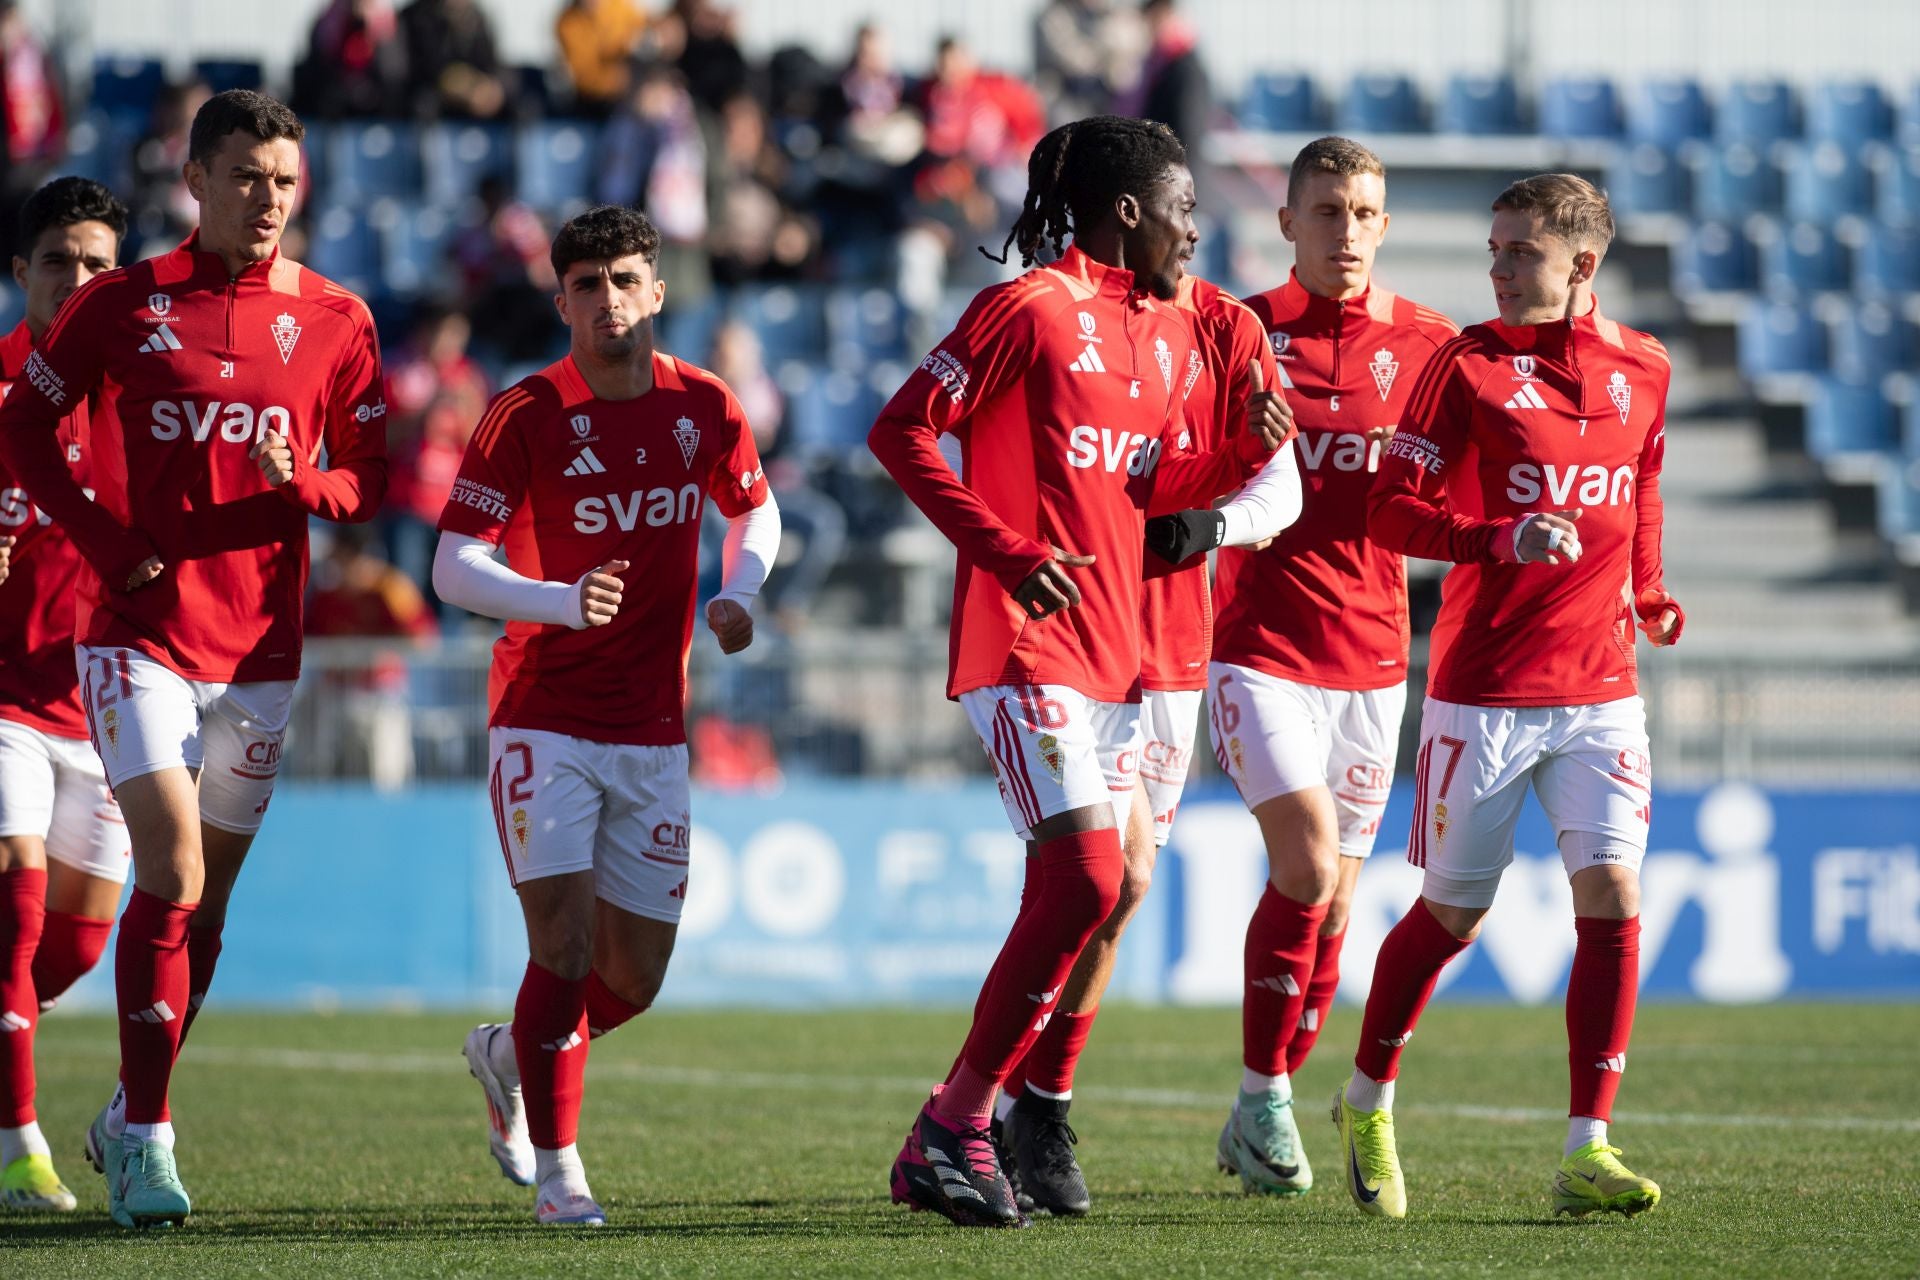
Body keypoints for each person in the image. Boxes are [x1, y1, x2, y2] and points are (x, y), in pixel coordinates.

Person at [869, 115, 1287, 1229]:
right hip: (1021, 642)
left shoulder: (1167, 328)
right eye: (1188, 209)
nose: (1201, 230)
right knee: (1092, 877)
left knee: (1104, 883)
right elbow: (903, 429)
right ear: (1134, 210)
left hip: (1120, 654)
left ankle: (1000, 1119)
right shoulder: (1029, 307)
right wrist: (1005, 549)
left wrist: (1245, 450)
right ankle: (954, 1125)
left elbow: (1146, 491)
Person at [0, 89, 388, 1230]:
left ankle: (125, 1109)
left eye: (284, 180)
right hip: (140, 638)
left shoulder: (337, 318)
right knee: (170, 870)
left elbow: (365, 473)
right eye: (245, 178)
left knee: (203, 910)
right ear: (197, 180)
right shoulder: (121, 303)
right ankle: (153, 1145)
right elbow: (26, 424)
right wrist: (108, 542)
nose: (266, 200)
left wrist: (299, 483)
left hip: (262, 642)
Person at [1335, 173, 1682, 1220]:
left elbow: (1644, 481)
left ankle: (1590, 1143)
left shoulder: (1646, 367)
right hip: (1482, 688)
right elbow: (1389, 508)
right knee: (1453, 913)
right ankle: (1367, 1099)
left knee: (1615, 898)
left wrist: (1650, 589)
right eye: (1494, 247)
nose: (1497, 266)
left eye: (1518, 251)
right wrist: (1495, 537)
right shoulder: (1463, 367)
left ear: (1584, 265)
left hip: (1603, 689)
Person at [435, 205, 779, 1227]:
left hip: (652, 726)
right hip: (544, 712)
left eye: (626, 279)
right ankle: (560, 1172)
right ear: (563, 300)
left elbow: (754, 506)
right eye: (588, 284)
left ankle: (507, 1051)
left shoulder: (705, 404)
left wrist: (743, 590)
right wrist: (555, 597)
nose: (609, 300)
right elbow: (451, 562)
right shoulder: (526, 411)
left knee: (637, 974)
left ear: (658, 291)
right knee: (568, 946)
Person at [991, 265, 1302, 1216]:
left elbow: (1279, 479)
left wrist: (1212, 525)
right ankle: (1008, 1109)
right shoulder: (1062, 320)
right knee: (1100, 876)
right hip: (1076, 631)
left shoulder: (1225, 326)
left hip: (1171, 648)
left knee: (1120, 894)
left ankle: (1026, 1104)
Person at [1207, 136, 1457, 1197]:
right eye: (1325, 211)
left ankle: (1269, 1096)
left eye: (1362, 213)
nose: (1345, 231)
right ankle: (1264, 1091)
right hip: (1259, 647)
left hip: (1374, 658)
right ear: (1287, 222)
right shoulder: (1239, 333)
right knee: (1306, 865)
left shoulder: (1433, 345)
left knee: (1338, 908)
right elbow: (1176, 468)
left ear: (1384, 225)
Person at [0, 176, 131, 1215]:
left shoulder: (141, 399)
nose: (78, 280)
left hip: (105, 707)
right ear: (20, 274)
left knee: (77, 945)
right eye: (58, 261)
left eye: (97, 264)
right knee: (15, 911)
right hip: (5, 702)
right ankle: (20, 1147)